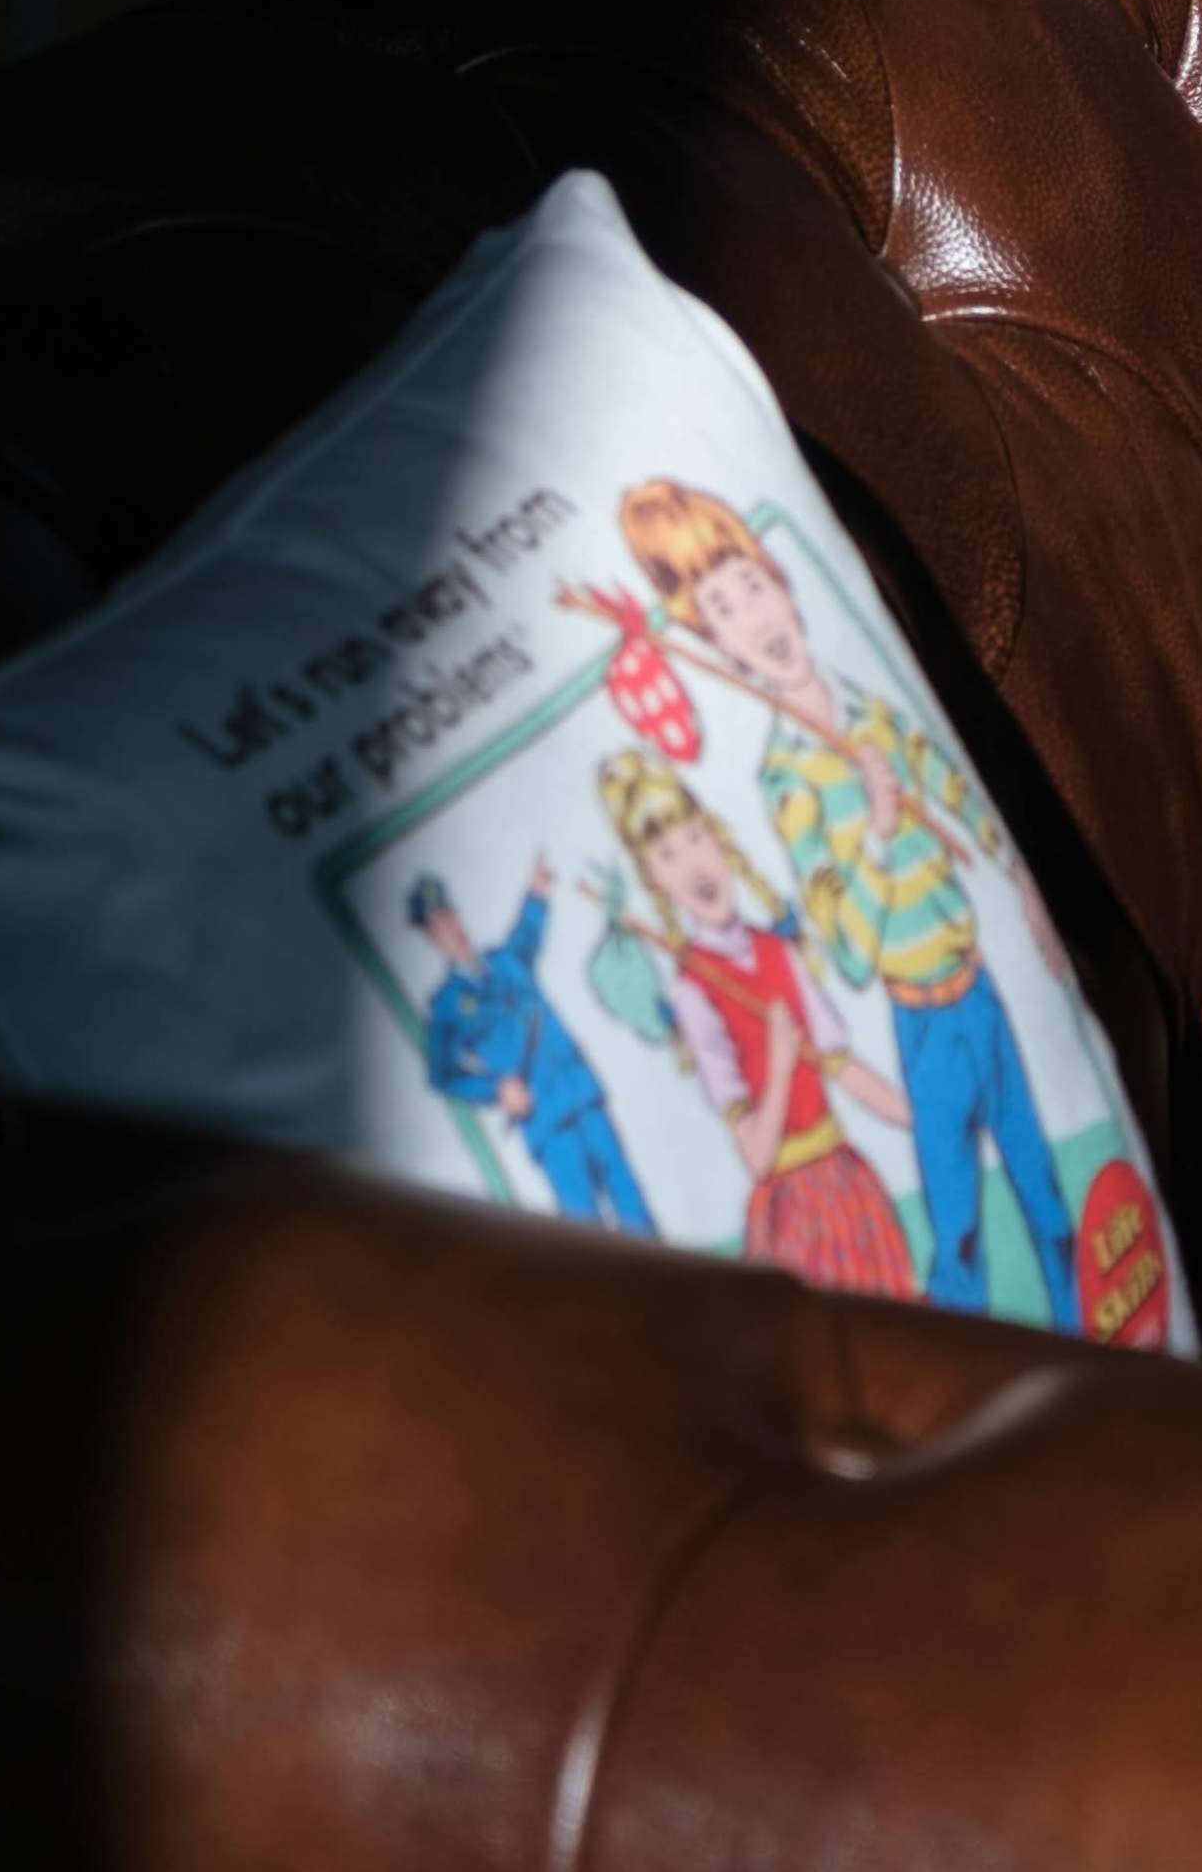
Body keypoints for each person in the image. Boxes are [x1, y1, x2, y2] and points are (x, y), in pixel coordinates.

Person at [618, 478, 1083, 1328]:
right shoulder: (789, 782)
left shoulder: (876, 712)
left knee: (1051, 1205)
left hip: (982, 995)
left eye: (753, 585)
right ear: (722, 647)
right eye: (724, 610)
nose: (753, 614)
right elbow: (848, 948)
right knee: (962, 1237)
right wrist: (873, 832)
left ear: (783, 586)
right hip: (922, 1021)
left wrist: (1020, 888)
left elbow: (956, 797)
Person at [594, 746, 917, 1301]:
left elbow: (845, 1069)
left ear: (718, 839)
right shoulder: (695, 993)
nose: (692, 863)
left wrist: (924, 1120)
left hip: (849, 1184)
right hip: (793, 1209)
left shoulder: (780, 951)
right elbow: (756, 1155)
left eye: (695, 838)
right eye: (668, 855)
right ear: (655, 880)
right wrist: (782, 1061)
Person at [410, 859, 653, 1233]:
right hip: (545, 1118)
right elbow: (440, 1074)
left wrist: (537, 892)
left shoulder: (506, 961)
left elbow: (526, 933)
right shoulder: (447, 1005)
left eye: (449, 915)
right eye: (437, 925)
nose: (450, 928)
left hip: (580, 1092)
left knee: (627, 1192)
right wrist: (495, 1090)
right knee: (584, 1222)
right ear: (430, 937)